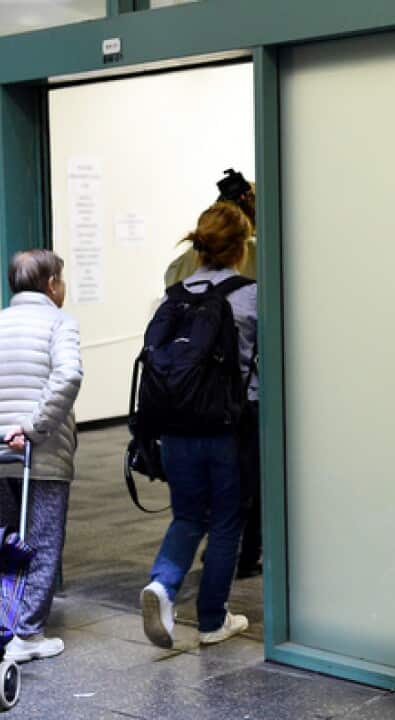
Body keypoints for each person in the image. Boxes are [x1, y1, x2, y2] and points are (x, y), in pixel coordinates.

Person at [0, 249, 83, 663]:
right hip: (40, 454)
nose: (63, 286)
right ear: (50, 285)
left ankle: (6, 621)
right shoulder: (59, 323)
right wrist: (33, 429)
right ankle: (27, 634)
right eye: (61, 279)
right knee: (43, 542)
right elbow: (69, 375)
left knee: (10, 535)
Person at [141, 201, 257, 648]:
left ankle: (162, 586)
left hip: (175, 425)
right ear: (239, 247)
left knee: (188, 516)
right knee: (227, 521)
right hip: (230, 426)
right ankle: (212, 620)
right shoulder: (250, 296)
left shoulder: (175, 296)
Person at [163, 168, 263, 579]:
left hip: (182, 407)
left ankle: (163, 583)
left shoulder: (176, 283)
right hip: (239, 407)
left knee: (188, 514)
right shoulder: (252, 285)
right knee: (237, 504)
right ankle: (216, 606)